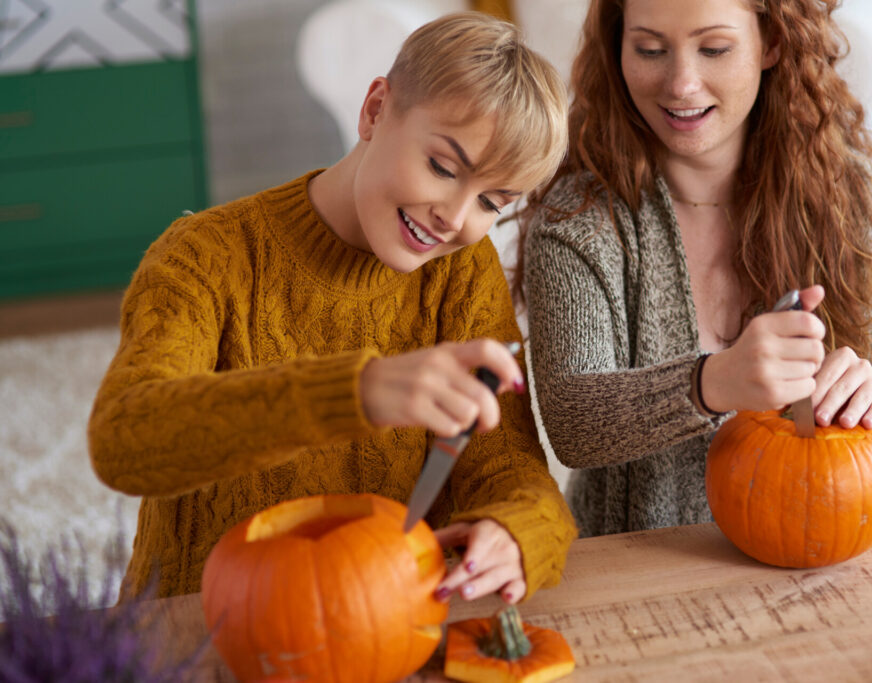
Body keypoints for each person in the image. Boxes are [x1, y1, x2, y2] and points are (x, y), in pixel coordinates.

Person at [88, 12, 576, 604]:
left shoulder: (458, 269)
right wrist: (357, 392)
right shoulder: (204, 256)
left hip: (379, 619)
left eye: (492, 202)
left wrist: (516, 532)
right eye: (443, 168)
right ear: (374, 111)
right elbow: (124, 440)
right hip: (202, 629)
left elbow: (510, 468)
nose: (455, 216)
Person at [519, 0, 872, 537]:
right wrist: (711, 383)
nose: (680, 83)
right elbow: (573, 424)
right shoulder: (578, 220)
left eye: (714, 49)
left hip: (812, 543)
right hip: (640, 564)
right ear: (617, 49)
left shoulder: (850, 194)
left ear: (770, 43)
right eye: (650, 50)